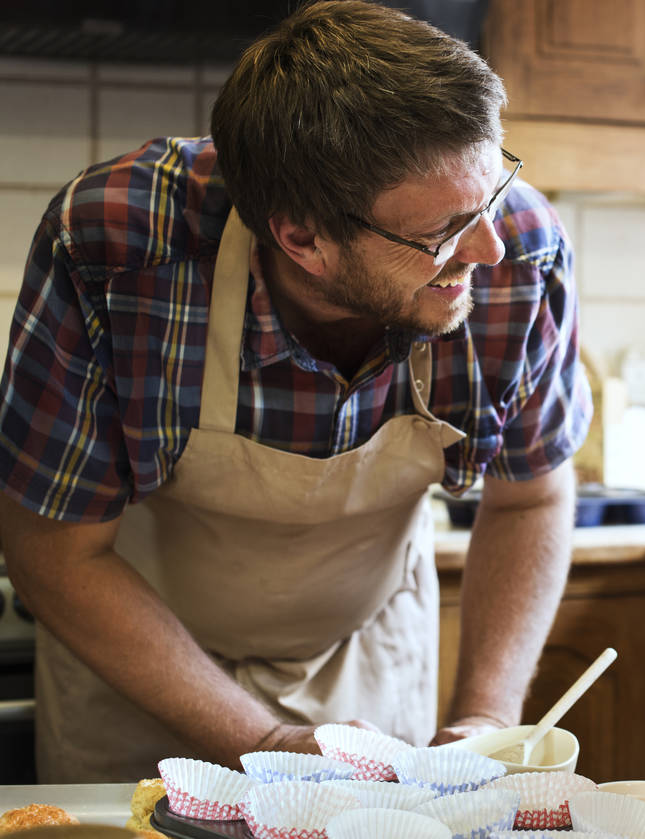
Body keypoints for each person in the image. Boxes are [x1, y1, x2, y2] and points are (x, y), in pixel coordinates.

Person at [0, 0, 591, 782]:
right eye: (442, 232)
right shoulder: (117, 246)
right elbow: (52, 548)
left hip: (363, 653)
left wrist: (485, 717)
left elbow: (531, 500)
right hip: (137, 666)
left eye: (494, 192)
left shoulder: (518, 256)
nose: (487, 246)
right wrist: (262, 739)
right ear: (302, 238)